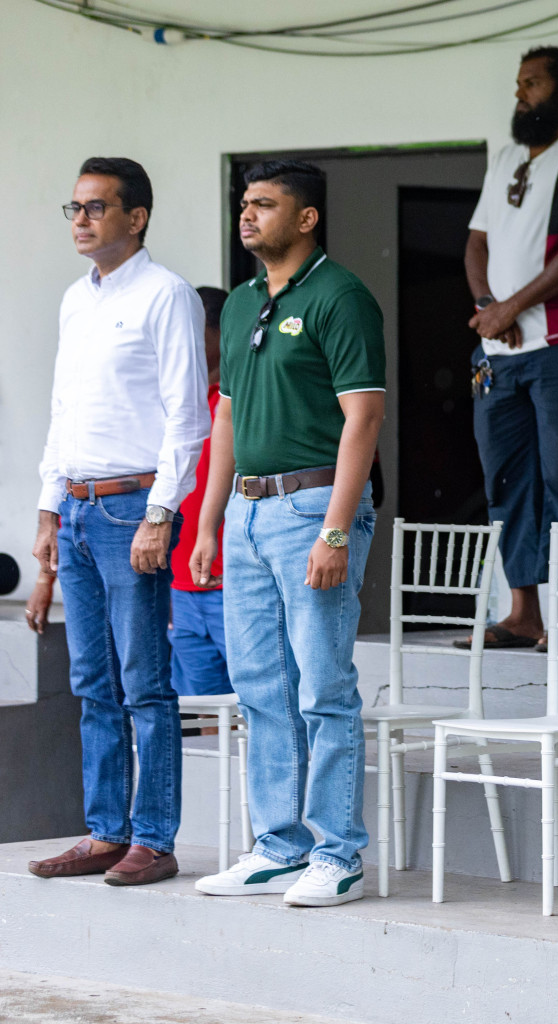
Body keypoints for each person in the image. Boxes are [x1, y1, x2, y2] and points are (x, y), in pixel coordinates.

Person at [189, 161, 386, 907]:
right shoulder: (240, 303)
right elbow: (228, 416)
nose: (249, 216)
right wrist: (209, 521)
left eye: (265, 205)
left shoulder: (341, 296)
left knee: (323, 688)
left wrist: (336, 533)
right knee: (261, 688)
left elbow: (363, 417)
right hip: (245, 512)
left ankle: (339, 854)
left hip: (311, 509)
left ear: (306, 219)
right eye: (245, 204)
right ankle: (277, 847)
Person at [26, 157, 209, 887]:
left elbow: (187, 421)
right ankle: (106, 831)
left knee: (144, 682)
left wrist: (160, 516)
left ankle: (153, 839)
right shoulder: (76, 299)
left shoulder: (167, 296)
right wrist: (47, 509)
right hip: (75, 505)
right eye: (73, 207)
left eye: (96, 208)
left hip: (132, 506)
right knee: (91, 682)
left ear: (135, 218)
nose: (80, 219)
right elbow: (63, 411)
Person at [461, 46, 558, 654]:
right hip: (498, 355)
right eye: (519, 84)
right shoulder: (502, 159)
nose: (522, 94)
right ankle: (523, 609)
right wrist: (486, 308)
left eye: (533, 83)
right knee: (508, 481)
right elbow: (475, 243)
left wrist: (509, 308)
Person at [167, 285, 234, 699]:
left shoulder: (244, 402)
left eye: (190, 329)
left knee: (258, 709)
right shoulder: (174, 402)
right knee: (205, 718)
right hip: (180, 589)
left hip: (232, 585)